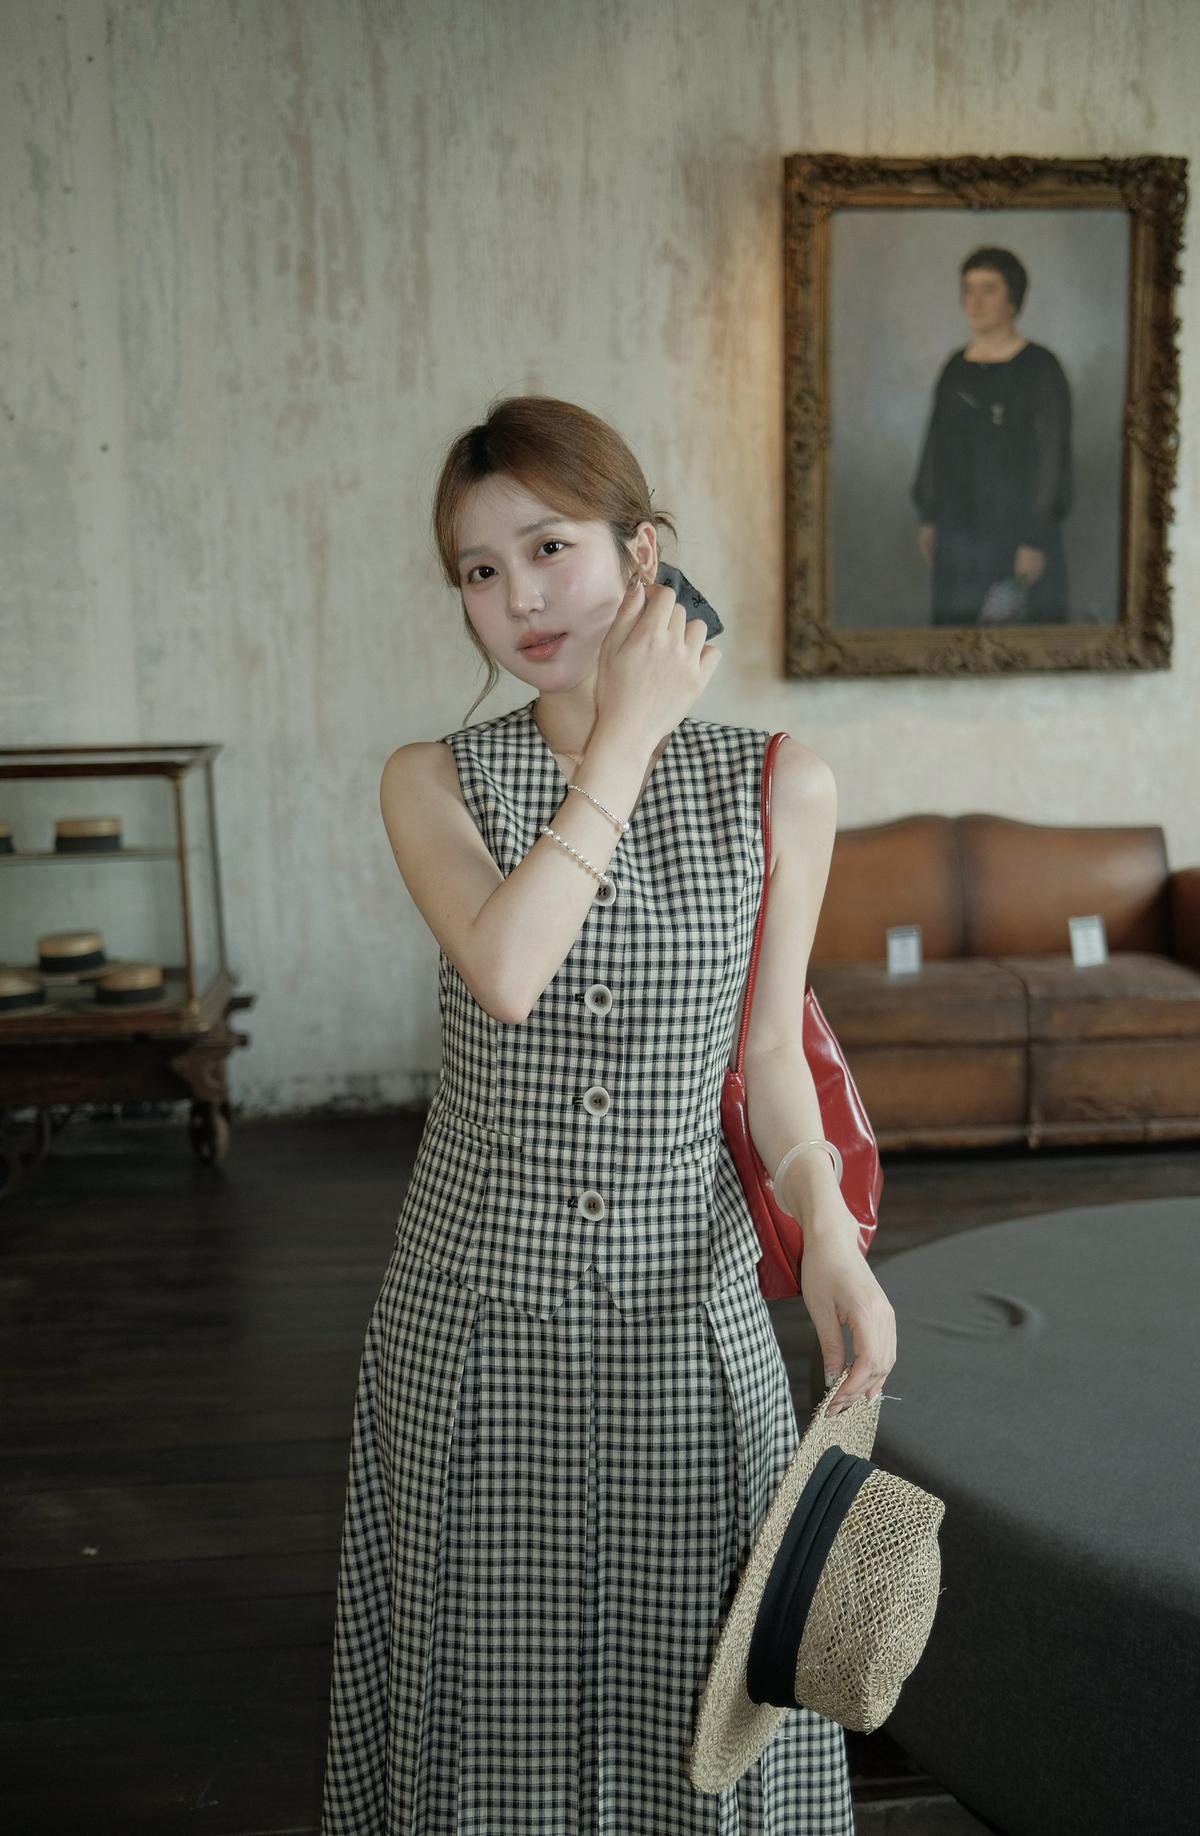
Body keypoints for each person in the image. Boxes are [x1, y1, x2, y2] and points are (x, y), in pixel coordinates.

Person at [320, 395, 897, 1834]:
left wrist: (832, 1237)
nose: (518, 599)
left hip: (686, 1320)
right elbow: (509, 973)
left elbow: (769, 1052)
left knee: (700, 1702)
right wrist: (625, 736)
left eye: (549, 548)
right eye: (479, 570)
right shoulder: (432, 781)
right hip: (476, 1322)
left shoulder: (782, 783)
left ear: (644, 552)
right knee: (488, 1717)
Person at [912, 245, 1073, 626]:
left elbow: (1052, 456)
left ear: (1012, 298)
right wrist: (929, 517)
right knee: (955, 643)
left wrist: (1035, 538)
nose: (975, 301)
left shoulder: (1041, 367)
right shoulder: (955, 367)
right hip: (958, 534)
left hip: (1016, 535)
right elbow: (935, 445)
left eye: (988, 290)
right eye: (968, 290)